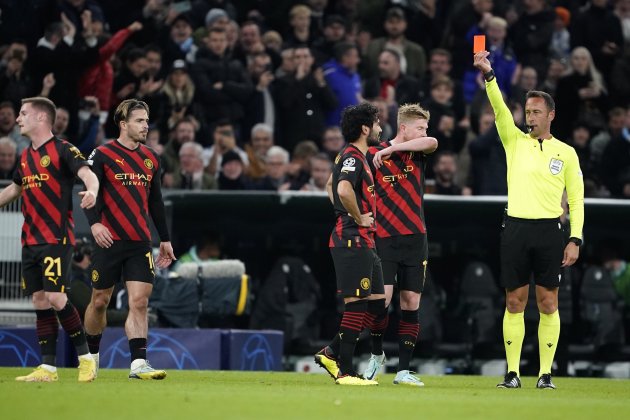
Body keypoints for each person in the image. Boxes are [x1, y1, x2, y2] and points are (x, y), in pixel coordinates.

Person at [473, 51, 584, 389]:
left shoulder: (566, 153)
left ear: (551, 115)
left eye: (536, 112)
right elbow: (499, 109)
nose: (530, 116)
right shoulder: (514, 141)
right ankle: (512, 373)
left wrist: (575, 238)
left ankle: (545, 373)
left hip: (551, 230)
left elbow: (577, 199)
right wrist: (489, 75)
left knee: (548, 302)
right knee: (513, 301)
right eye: (527, 111)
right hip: (516, 228)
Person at [0, 96, 99, 382]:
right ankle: (48, 368)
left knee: (56, 297)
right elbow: (13, 191)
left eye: (23, 114)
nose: (18, 119)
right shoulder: (25, 156)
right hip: (29, 240)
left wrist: (91, 190)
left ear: (41, 118)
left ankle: (86, 359)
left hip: (55, 237)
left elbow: (87, 174)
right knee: (40, 300)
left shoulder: (63, 149)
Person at [83, 99, 177, 380]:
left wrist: (165, 239)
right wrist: (96, 225)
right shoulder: (101, 154)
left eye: (147, 121)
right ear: (123, 124)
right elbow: (91, 194)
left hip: (139, 242)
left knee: (139, 302)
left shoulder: (151, 158)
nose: (145, 125)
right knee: (100, 301)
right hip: (108, 240)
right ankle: (91, 357)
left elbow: (156, 202)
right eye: (139, 120)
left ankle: (138, 364)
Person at [361, 104, 438, 386]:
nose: (424, 132)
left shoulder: (416, 151)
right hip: (384, 237)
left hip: (416, 238)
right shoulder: (372, 154)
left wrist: (390, 151)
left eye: (425, 127)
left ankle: (403, 370)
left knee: (411, 302)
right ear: (403, 128)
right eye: (419, 127)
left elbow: (432, 142)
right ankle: (376, 354)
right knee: (381, 301)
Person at [313, 102, 383, 386]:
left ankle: (331, 351)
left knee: (378, 304)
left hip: (362, 241)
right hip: (353, 239)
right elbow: (341, 188)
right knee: (356, 305)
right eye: (377, 123)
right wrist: (356, 217)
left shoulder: (354, 156)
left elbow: (330, 184)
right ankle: (345, 371)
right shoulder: (354, 156)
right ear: (365, 128)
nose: (380, 128)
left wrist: (343, 211)